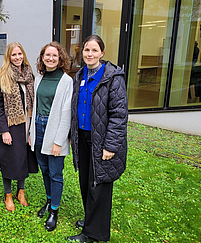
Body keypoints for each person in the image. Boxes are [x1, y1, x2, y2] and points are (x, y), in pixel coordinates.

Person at [68, 35, 128, 243]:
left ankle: (94, 234)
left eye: (94, 50)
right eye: (86, 50)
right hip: (83, 137)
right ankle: (90, 220)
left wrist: (110, 146)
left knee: (99, 185)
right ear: (82, 52)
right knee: (86, 181)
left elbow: (119, 115)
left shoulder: (113, 77)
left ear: (102, 53)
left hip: (102, 140)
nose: (90, 54)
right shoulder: (80, 75)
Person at [29, 41, 72, 231]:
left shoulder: (66, 81)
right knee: (44, 169)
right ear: (42, 58)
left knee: (55, 173)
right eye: (47, 55)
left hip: (54, 129)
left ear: (60, 58)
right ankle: (48, 201)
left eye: (54, 55)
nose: (51, 58)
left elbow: (66, 113)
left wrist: (58, 141)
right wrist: (31, 132)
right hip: (38, 126)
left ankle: (54, 210)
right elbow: (35, 107)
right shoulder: (39, 78)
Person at [0, 42, 38, 212]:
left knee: (24, 158)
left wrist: (31, 129)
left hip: (27, 123)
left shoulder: (29, 75)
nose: (18, 57)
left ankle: (21, 192)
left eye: (20, 54)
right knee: (9, 160)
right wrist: (4, 130)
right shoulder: (3, 76)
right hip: (11, 126)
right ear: (8, 57)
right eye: (14, 55)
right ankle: (8, 195)